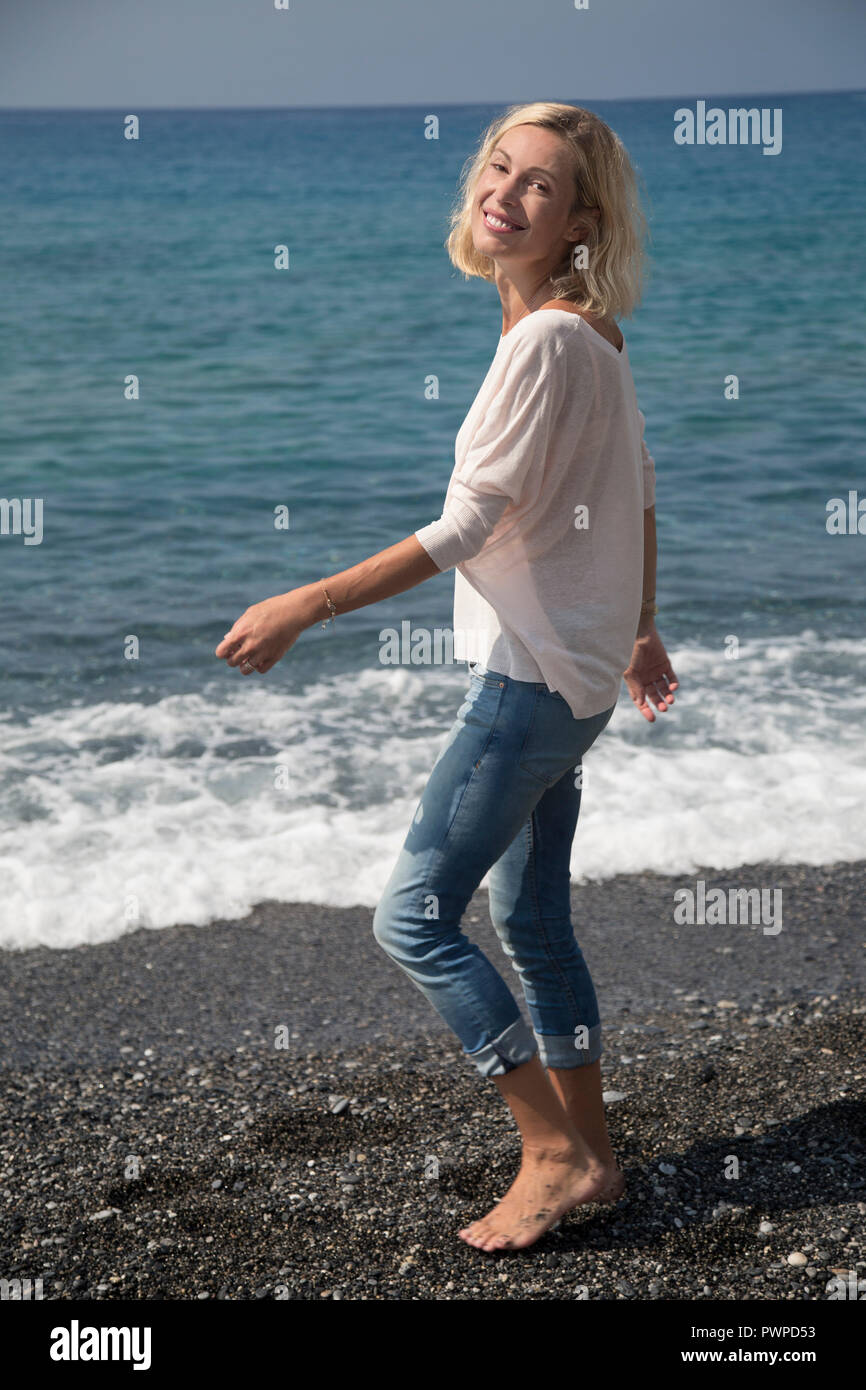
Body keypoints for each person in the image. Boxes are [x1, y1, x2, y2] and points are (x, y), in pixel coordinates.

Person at [215, 101, 679, 1253]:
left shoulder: (545, 342)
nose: (505, 192)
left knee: (412, 918)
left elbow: (467, 526)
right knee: (529, 918)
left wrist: (306, 601)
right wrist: (637, 630)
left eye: (539, 184)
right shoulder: (588, 334)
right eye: (498, 167)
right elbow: (641, 495)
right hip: (572, 678)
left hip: (529, 683)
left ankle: (552, 1151)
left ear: (578, 221)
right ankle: (595, 1162)